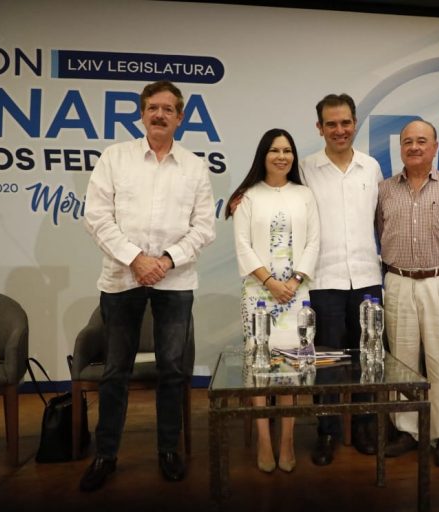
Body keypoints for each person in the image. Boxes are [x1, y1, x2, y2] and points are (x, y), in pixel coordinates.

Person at [81, 80, 216, 491]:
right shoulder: (114, 158)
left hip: (175, 282)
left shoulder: (194, 166)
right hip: (122, 279)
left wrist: (167, 261)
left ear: (180, 116)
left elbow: (204, 227)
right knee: (115, 371)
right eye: (152, 107)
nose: (159, 115)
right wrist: (136, 260)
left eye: (168, 109)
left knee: (173, 370)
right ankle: (105, 455)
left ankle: (168, 450)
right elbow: (97, 217)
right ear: (141, 113)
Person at [376, 119, 439, 468]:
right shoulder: (385, 189)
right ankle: (405, 430)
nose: (414, 147)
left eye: (421, 141)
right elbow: (380, 230)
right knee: (401, 360)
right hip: (398, 281)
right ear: (400, 148)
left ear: (435, 147)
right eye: (407, 142)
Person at [226, 128, 320, 474]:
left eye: (287, 150)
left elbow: (313, 242)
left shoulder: (305, 195)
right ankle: (264, 440)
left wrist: (293, 282)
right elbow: (243, 247)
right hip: (259, 296)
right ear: (263, 155)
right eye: (274, 150)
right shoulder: (247, 196)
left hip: (296, 295)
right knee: (260, 369)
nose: (282, 156)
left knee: (291, 368)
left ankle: (287, 440)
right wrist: (270, 282)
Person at [299, 93, 384, 465]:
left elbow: (382, 221)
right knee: (328, 361)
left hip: (367, 278)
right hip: (324, 280)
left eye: (345, 122)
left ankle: (365, 426)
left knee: (367, 356)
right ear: (319, 128)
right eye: (331, 124)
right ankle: (327, 431)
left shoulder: (372, 167)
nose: (339, 130)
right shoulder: (305, 169)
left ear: (355, 123)